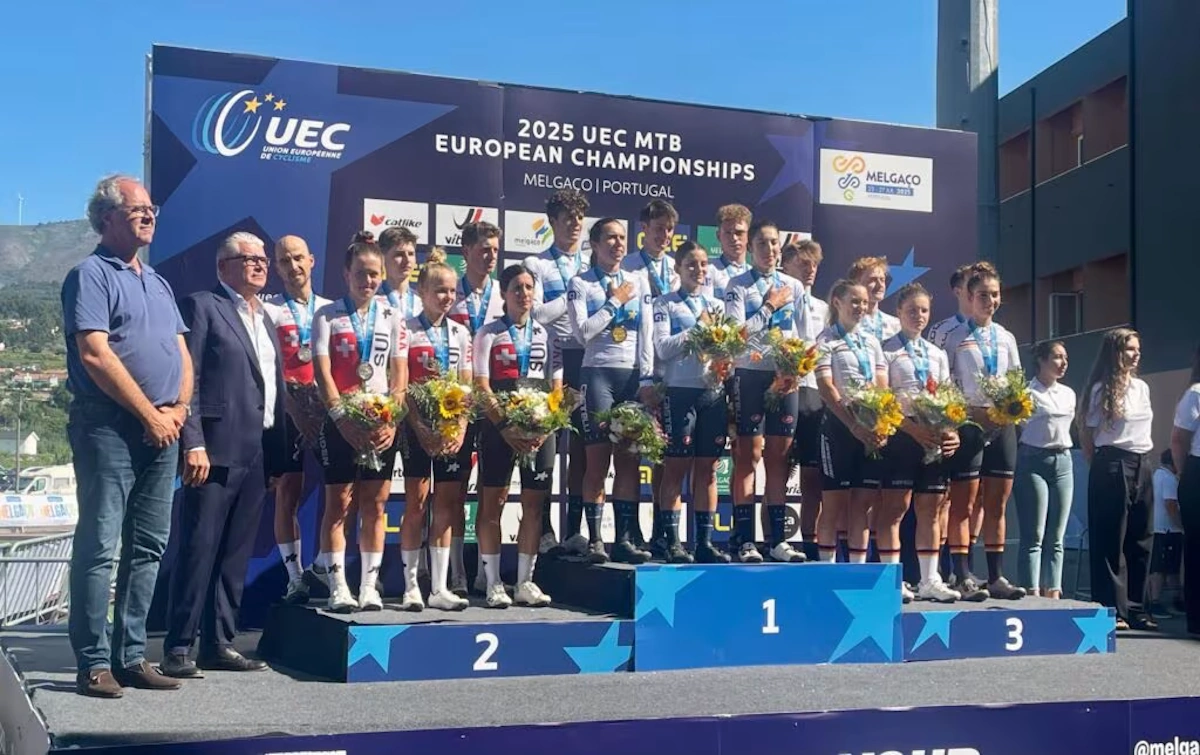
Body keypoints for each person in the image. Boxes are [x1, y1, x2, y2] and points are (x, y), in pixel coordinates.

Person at [63, 175, 190, 697]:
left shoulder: (157, 281)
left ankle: (132, 656)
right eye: (137, 209)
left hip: (163, 428)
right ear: (106, 217)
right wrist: (147, 414)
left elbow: (181, 351)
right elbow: (95, 354)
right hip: (108, 426)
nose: (149, 215)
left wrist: (178, 409)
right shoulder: (90, 275)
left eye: (151, 208)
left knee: (148, 546)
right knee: (100, 545)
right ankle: (93, 662)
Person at [162, 232, 286, 677]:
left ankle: (219, 643)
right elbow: (187, 379)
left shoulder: (265, 317)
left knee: (235, 555)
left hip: (256, 451)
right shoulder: (202, 306)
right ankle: (178, 647)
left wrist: (276, 456)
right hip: (213, 450)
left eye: (263, 259)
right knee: (199, 549)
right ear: (223, 267)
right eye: (249, 258)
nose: (260, 265)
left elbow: (272, 390)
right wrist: (192, 441)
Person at [310, 232, 409, 613]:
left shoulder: (392, 316)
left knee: (376, 504)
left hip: (381, 422)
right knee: (339, 504)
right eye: (360, 273)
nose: (367, 281)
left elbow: (399, 373)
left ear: (382, 275)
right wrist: (340, 417)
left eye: (374, 274)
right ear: (345, 274)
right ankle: (337, 586)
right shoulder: (327, 315)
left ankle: (369, 587)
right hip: (341, 421)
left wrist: (392, 419)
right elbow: (322, 371)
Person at [568, 218, 657, 564]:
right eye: (610, 238)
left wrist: (646, 379)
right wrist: (614, 303)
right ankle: (595, 540)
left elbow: (646, 334)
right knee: (597, 460)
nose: (618, 244)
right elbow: (583, 333)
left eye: (622, 238)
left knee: (630, 460)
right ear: (594, 244)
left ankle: (623, 539)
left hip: (631, 377)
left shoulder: (638, 280)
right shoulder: (581, 283)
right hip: (597, 374)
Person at [724, 220, 811, 564]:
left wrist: (797, 368)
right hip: (750, 375)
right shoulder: (738, 285)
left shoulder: (794, 286)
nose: (769, 249)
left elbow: (805, 336)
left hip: (785, 378)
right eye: (762, 243)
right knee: (749, 457)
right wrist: (769, 307)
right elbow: (736, 336)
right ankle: (746, 540)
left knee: (780, 458)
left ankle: (777, 541)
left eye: (774, 243)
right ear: (751, 248)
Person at [474, 264, 561, 607]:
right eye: (516, 288)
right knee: (492, 504)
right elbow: (481, 386)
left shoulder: (548, 335)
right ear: (503, 293)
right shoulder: (488, 333)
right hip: (500, 428)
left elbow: (556, 388)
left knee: (534, 505)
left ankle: (525, 581)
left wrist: (544, 426)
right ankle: (493, 582)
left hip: (540, 428)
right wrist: (505, 426)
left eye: (528, 287)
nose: (524, 294)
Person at [942, 267, 1025, 601]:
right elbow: (945, 384)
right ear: (968, 297)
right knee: (963, 504)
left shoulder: (1006, 337)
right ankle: (961, 575)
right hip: (969, 425)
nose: (990, 300)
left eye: (995, 294)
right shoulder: (954, 337)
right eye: (982, 295)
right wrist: (968, 413)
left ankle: (996, 577)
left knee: (996, 504)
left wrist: (1010, 410)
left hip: (1002, 426)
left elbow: (1016, 379)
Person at [397, 248, 473, 611]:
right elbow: (402, 384)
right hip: (415, 429)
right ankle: (411, 586)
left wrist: (459, 427)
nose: (447, 297)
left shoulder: (461, 333)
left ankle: (439, 588)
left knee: (446, 505)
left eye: (452, 291)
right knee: (415, 504)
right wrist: (418, 426)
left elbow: (467, 385)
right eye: (440, 290)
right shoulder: (406, 330)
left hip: (450, 429)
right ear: (421, 292)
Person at [261, 235, 332, 605]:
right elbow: (266, 367)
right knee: (288, 491)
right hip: (287, 410)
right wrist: (292, 408)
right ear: (277, 267)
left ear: (312, 260)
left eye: (299, 258)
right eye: (285, 261)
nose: (293, 266)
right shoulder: (269, 310)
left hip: (325, 407)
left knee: (340, 489)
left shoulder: (330, 310)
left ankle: (321, 565)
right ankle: (294, 578)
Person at [879, 283, 960, 602]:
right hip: (902, 435)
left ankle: (930, 579)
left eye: (924, 310)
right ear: (899, 311)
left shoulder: (937, 354)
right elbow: (883, 400)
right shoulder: (886, 350)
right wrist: (912, 430)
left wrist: (951, 430)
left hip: (933, 437)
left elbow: (948, 399)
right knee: (895, 509)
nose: (918, 315)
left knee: (930, 510)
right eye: (912, 310)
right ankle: (892, 580)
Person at [652, 241, 729, 564]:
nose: (699, 270)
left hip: (712, 392)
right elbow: (662, 348)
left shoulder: (717, 305)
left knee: (708, 470)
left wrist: (725, 361)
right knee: (675, 468)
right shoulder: (664, 303)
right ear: (678, 268)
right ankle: (672, 542)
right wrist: (698, 328)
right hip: (680, 392)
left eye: (703, 264)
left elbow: (726, 349)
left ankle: (705, 543)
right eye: (691, 264)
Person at [526, 189, 590, 557]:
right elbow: (536, 314)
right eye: (567, 217)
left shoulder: (592, 261)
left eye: (579, 217)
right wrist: (573, 296)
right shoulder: (537, 264)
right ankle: (545, 528)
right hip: (552, 361)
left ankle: (575, 529)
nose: (574, 223)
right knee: (547, 449)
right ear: (552, 222)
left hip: (587, 360)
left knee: (582, 449)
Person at [1079, 327, 1156, 630]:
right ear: (1115, 353)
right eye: (1129, 349)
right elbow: (1087, 434)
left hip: (1142, 461)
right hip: (1112, 461)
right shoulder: (1100, 390)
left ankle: (1137, 607)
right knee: (1111, 539)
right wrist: (1099, 465)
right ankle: (1112, 609)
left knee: (1141, 537)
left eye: (1137, 349)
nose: (1136, 355)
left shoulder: (1141, 387)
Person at [449, 222, 505, 595]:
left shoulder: (504, 294)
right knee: (453, 492)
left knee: (491, 489)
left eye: (495, 250)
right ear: (466, 251)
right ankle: (455, 572)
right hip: (455, 402)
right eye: (484, 249)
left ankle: (487, 572)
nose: (490, 256)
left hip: (492, 401)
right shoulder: (448, 292)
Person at [814, 279, 887, 563]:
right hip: (838, 429)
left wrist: (880, 422)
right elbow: (826, 387)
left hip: (868, 429)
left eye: (864, 302)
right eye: (854, 301)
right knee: (833, 504)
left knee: (863, 504)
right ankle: (826, 570)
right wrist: (851, 424)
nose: (860, 307)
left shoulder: (872, 342)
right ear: (837, 303)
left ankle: (857, 570)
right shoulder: (825, 340)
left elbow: (882, 386)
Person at [623, 199, 680, 556]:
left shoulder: (676, 269)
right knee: (631, 452)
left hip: (670, 372)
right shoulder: (628, 267)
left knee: (664, 456)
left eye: (669, 229)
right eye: (658, 228)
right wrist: (643, 376)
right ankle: (629, 530)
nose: (664, 235)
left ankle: (662, 530)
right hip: (635, 370)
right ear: (643, 229)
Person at [1013, 340, 1076, 598]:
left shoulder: (1068, 393)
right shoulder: (1027, 393)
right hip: (1033, 459)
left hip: (1063, 460)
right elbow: (1017, 425)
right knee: (1034, 533)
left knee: (1057, 535)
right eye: (1057, 357)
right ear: (1041, 360)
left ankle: (1054, 592)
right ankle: (1031, 593)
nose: (1063, 363)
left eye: (1065, 358)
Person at [781, 239, 829, 562]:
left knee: (812, 476)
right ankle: (774, 539)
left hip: (813, 393)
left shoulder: (824, 308)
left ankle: (811, 544)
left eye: (814, 264)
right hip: (784, 388)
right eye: (803, 263)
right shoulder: (777, 297)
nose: (810, 269)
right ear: (786, 265)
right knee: (779, 471)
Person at [1170, 346, 1200, 634]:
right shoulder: (1196, 393)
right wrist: (1183, 474)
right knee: (1197, 546)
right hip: (1197, 469)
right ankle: (1196, 616)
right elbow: (1179, 439)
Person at [1146, 449, 1183, 618]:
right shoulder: (1168, 479)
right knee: (1161, 568)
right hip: (1167, 530)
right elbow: (1171, 505)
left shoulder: (1156, 476)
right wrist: (1181, 525)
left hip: (1159, 528)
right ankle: (1155, 602)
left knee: (1170, 567)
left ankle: (1177, 599)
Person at [707, 204, 752, 301]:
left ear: (749, 235)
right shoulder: (708, 270)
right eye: (728, 233)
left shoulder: (754, 273)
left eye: (739, 233)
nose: (734, 238)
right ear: (718, 236)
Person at [379, 226, 420, 321]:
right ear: (382, 257)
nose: (407, 260)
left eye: (411, 254)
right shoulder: (371, 299)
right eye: (399, 254)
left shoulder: (423, 301)